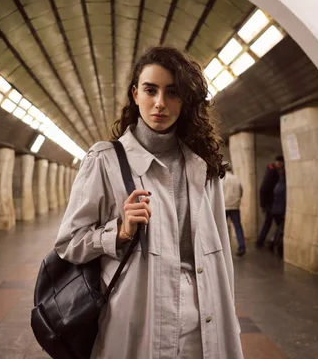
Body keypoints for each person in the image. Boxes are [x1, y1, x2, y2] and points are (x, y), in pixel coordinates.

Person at [55, 46, 242, 358]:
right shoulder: (105, 160)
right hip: (139, 319)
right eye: (150, 90)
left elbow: (222, 253)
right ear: (135, 94)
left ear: (185, 100)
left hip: (206, 317)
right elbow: (69, 242)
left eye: (172, 92)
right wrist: (119, 232)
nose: (160, 103)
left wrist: (229, 317)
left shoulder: (203, 164)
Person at [256, 155, 284, 247]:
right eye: (281, 164)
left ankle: (264, 241)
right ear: (278, 163)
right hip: (271, 204)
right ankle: (270, 242)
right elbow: (263, 189)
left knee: (269, 223)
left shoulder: (271, 171)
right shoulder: (272, 172)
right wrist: (263, 204)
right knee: (279, 224)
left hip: (271, 203)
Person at [223, 169, 246, 257]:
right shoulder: (236, 178)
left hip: (224, 207)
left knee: (221, 228)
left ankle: (222, 249)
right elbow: (241, 191)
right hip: (235, 206)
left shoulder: (222, 179)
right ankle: (241, 247)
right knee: (238, 227)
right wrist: (237, 200)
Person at [271, 169, 286, 257]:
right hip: (280, 211)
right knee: (280, 230)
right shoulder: (284, 186)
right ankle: (276, 244)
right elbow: (284, 200)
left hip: (275, 210)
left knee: (279, 229)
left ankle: (273, 242)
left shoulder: (278, 185)